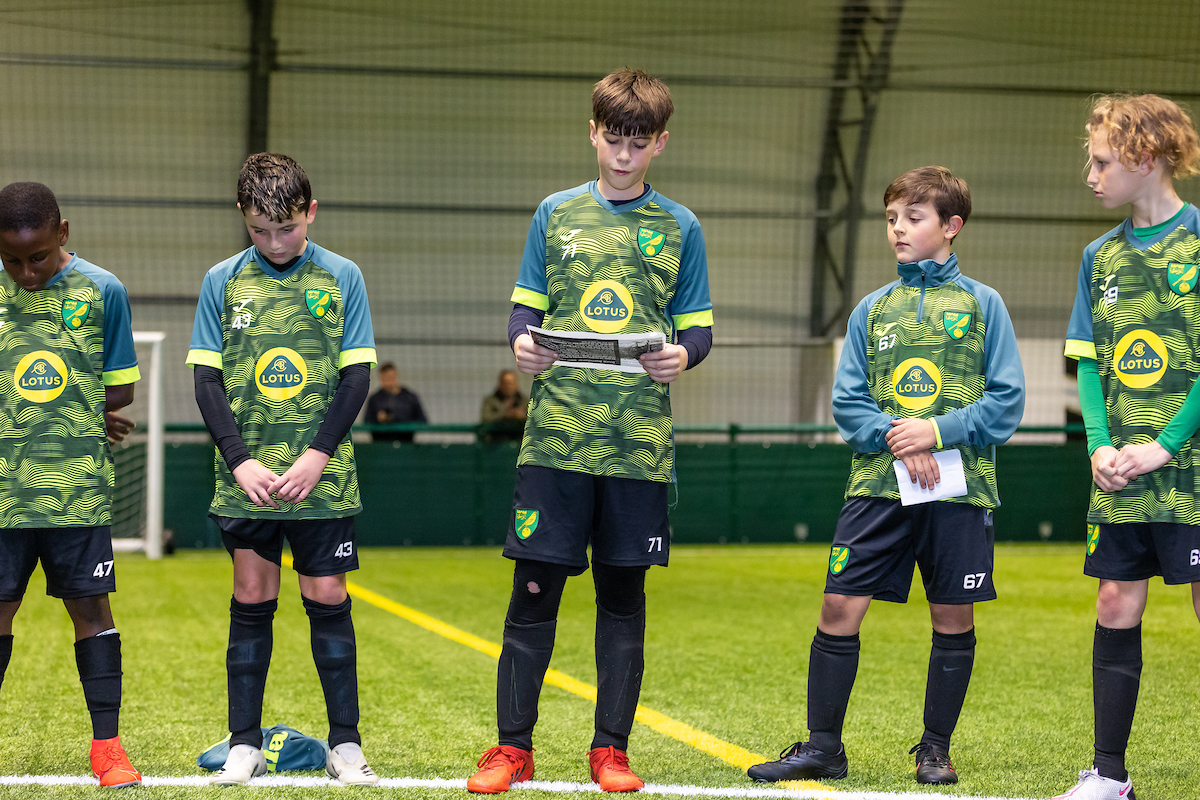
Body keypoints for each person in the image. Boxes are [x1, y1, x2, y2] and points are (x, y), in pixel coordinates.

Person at [467, 68, 713, 794]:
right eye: (613, 139)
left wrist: (682, 356)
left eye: (639, 142)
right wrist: (522, 344)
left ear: (660, 143)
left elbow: (698, 328)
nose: (623, 155)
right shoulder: (554, 214)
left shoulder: (681, 227)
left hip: (637, 447)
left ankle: (611, 751)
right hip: (555, 442)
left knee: (622, 599)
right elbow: (524, 310)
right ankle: (512, 750)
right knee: (533, 593)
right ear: (594, 134)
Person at [748, 167, 1024, 787]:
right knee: (837, 606)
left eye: (913, 218)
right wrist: (902, 438)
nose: (898, 229)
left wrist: (938, 432)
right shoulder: (870, 310)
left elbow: (1006, 404)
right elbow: (848, 405)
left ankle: (935, 750)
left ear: (951, 226)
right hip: (875, 486)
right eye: (892, 218)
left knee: (952, 617)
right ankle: (823, 749)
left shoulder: (984, 304)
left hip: (960, 489)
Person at [186, 153, 380, 786]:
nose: (274, 243)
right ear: (243, 218)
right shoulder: (221, 281)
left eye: (287, 228)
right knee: (251, 595)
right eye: (259, 230)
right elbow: (206, 380)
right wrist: (239, 461)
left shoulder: (343, 276)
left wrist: (317, 455)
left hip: (323, 479)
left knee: (328, 596)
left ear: (311, 212)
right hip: (248, 482)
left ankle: (345, 744)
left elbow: (357, 376)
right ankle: (245, 743)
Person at [1056, 94, 1200, 800]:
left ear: (1146, 158)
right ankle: (1109, 776)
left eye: (1102, 162)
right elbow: (1088, 362)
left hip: (1190, 472)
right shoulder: (1099, 256)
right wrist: (1098, 446)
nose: (1091, 175)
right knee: (1115, 601)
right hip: (1120, 474)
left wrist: (1165, 445)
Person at [0, 182, 142, 787]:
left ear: (62, 233)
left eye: (37, 257)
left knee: (91, 609)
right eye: (12, 261)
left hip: (76, 489)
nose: (27, 272)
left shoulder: (103, 291)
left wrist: (72, 409)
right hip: (3, 493)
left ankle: (107, 748)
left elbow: (121, 388)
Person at [365, 362, 426, 443]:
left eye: (390, 377)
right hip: (381, 444)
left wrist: (399, 419)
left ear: (396, 375)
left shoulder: (410, 397)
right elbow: (367, 422)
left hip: (406, 443)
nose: (388, 381)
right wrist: (379, 419)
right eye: (385, 378)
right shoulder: (375, 399)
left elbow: (422, 420)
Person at [479, 369, 527, 443]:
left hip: (519, 441)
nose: (508, 386)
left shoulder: (525, 401)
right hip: (495, 441)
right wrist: (503, 415)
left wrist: (523, 416)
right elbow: (485, 418)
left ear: (516, 384)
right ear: (500, 384)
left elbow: (536, 420)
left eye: (510, 383)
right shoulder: (490, 401)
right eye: (505, 383)